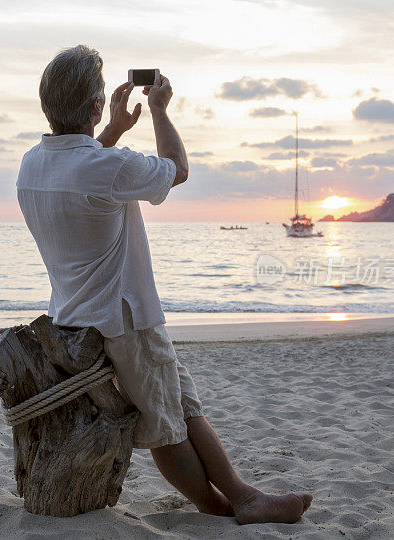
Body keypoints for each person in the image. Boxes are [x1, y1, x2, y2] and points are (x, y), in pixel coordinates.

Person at [16, 44, 312, 524]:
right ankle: (217, 504)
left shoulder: (33, 164)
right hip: (123, 318)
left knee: (182, 402)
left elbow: (82, 168)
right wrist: (158, 111)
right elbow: (178, 168)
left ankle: (240, 495)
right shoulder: (107, 168)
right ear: (94, 105)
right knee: (165, 424)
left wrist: (110, 129)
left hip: (75, 316)